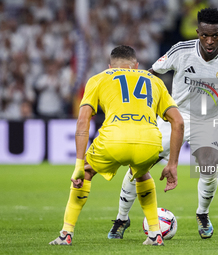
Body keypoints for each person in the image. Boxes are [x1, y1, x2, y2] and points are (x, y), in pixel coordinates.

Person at [110, 8, 218, 240]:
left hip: (208, 120)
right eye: (204, 35)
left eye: (215, 36)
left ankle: (202, 214)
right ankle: (122, 218)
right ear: (197, 32)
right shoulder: (181, 51)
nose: (209, 41)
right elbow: (151, 74)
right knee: (138, 165)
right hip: (174, 117)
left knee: (209, 167)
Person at [49, 45, 184, 246]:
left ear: (110, 65)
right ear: (136, 66)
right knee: (142, 174)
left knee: (86, 172)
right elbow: (179, 122)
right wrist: (172, 163)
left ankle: (66, 234)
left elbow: (83, 120)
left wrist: (79, 164)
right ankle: (155, 235)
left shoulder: (99, 78)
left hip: (113, 139)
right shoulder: (155, 81)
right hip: (148, 142)